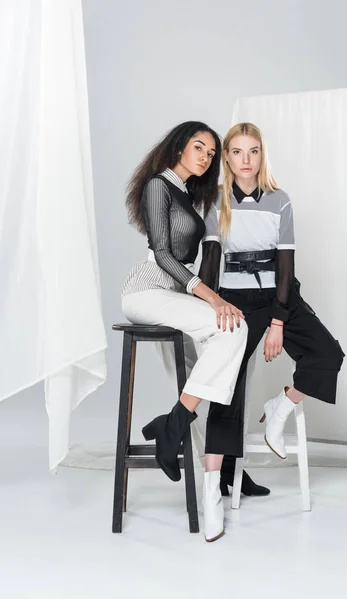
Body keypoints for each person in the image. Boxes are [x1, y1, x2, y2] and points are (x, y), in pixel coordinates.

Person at [121, 121, 248, 542]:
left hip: (174, 296)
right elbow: (161, 253)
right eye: (200, 147)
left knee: (207, 372)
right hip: (146, 291)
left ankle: (195, 452)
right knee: (232, 325)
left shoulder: (190, 197)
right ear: (180, 146)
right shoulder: (160, 185)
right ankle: (173, 426)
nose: (206, 156)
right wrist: (210, 297)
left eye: (212, 153)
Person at [198, 122, 345, 471]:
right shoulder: (216, 200)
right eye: (237, 152)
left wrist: (278, 319)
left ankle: (280, 406)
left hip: (279, 294)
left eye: (253, 151)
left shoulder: (281, 200)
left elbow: (285, 267)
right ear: (228, 159)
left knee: (327, 353)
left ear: (262, 155)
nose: (246, 159)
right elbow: (210, 262)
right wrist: (204, 309)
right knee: (227, 382)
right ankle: (219, 479)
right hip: (236, 299)